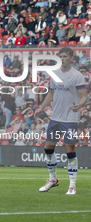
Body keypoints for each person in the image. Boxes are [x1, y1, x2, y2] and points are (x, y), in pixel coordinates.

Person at [35, 47, 87, 195]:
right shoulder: (54, 74)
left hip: (70, 118)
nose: (62, 59)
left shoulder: (77, 76)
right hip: (55, 118)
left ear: (71, 58)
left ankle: (72, 185)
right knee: (48, 148)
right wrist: (41, 107)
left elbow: (83, 95)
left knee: (69, 150)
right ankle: (53, 179)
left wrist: (81, 104)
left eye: (65, 56)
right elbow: (51, 93)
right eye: (61, 56)